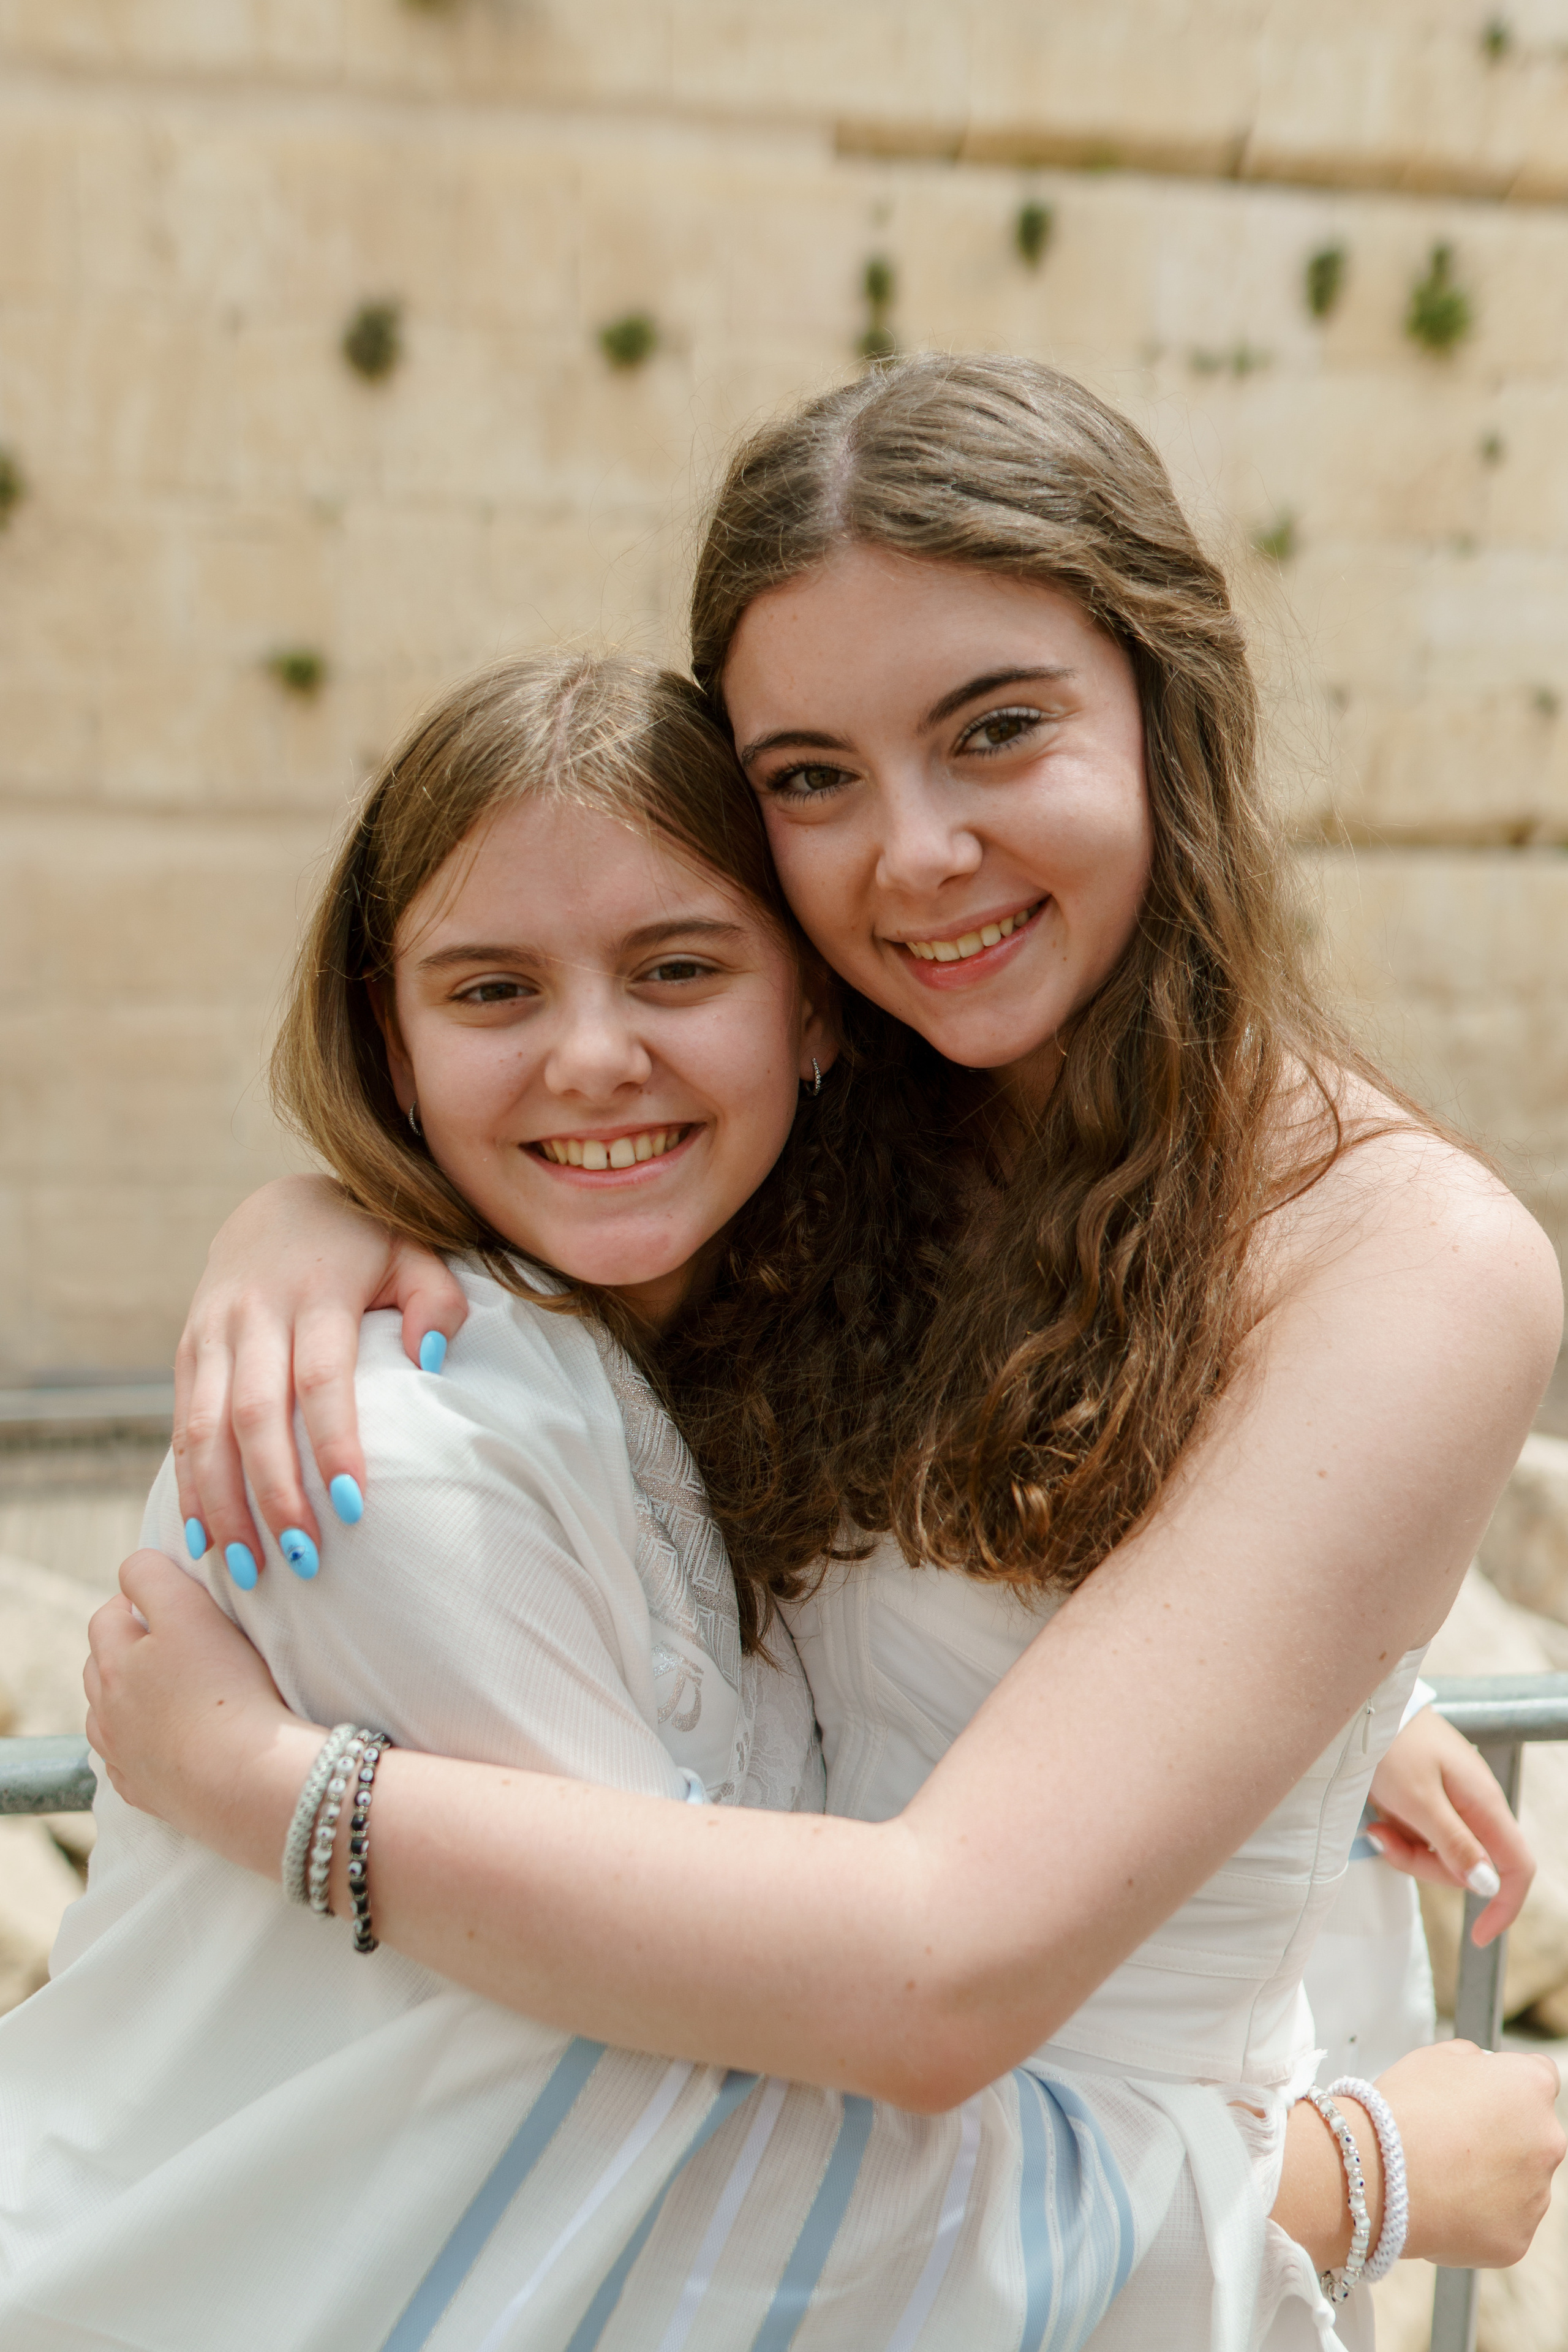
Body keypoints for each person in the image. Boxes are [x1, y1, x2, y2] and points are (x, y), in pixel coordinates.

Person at [68, 357, 1568, 2339]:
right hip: (745, 2245)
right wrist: (327, 1211)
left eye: (998, 730)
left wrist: (268, 1785)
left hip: (1041, 2252)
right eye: (809, 780)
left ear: (1169, 706)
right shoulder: (853, 1126)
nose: (914, 854)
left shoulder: (1402, 1258)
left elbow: (932, 1971)